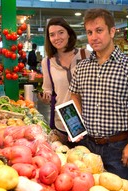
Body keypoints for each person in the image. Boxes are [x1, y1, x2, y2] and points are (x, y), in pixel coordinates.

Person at [69, 8, 128, 184]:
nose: (94, 37)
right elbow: (74, 95)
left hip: (118, 147)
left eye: (99, 30)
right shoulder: (82, 67)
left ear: (112, 31)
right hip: (87, 145)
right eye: (90, 32)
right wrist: (77, 125)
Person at [39, 17, 90, 147]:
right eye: (52, 35)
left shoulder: (86, 55)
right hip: (63, 121)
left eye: (61, 32)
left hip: (89, 121)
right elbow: (48, 88)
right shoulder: (47, 62)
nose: (57, 37)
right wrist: (45, 96)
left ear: (68, 33)